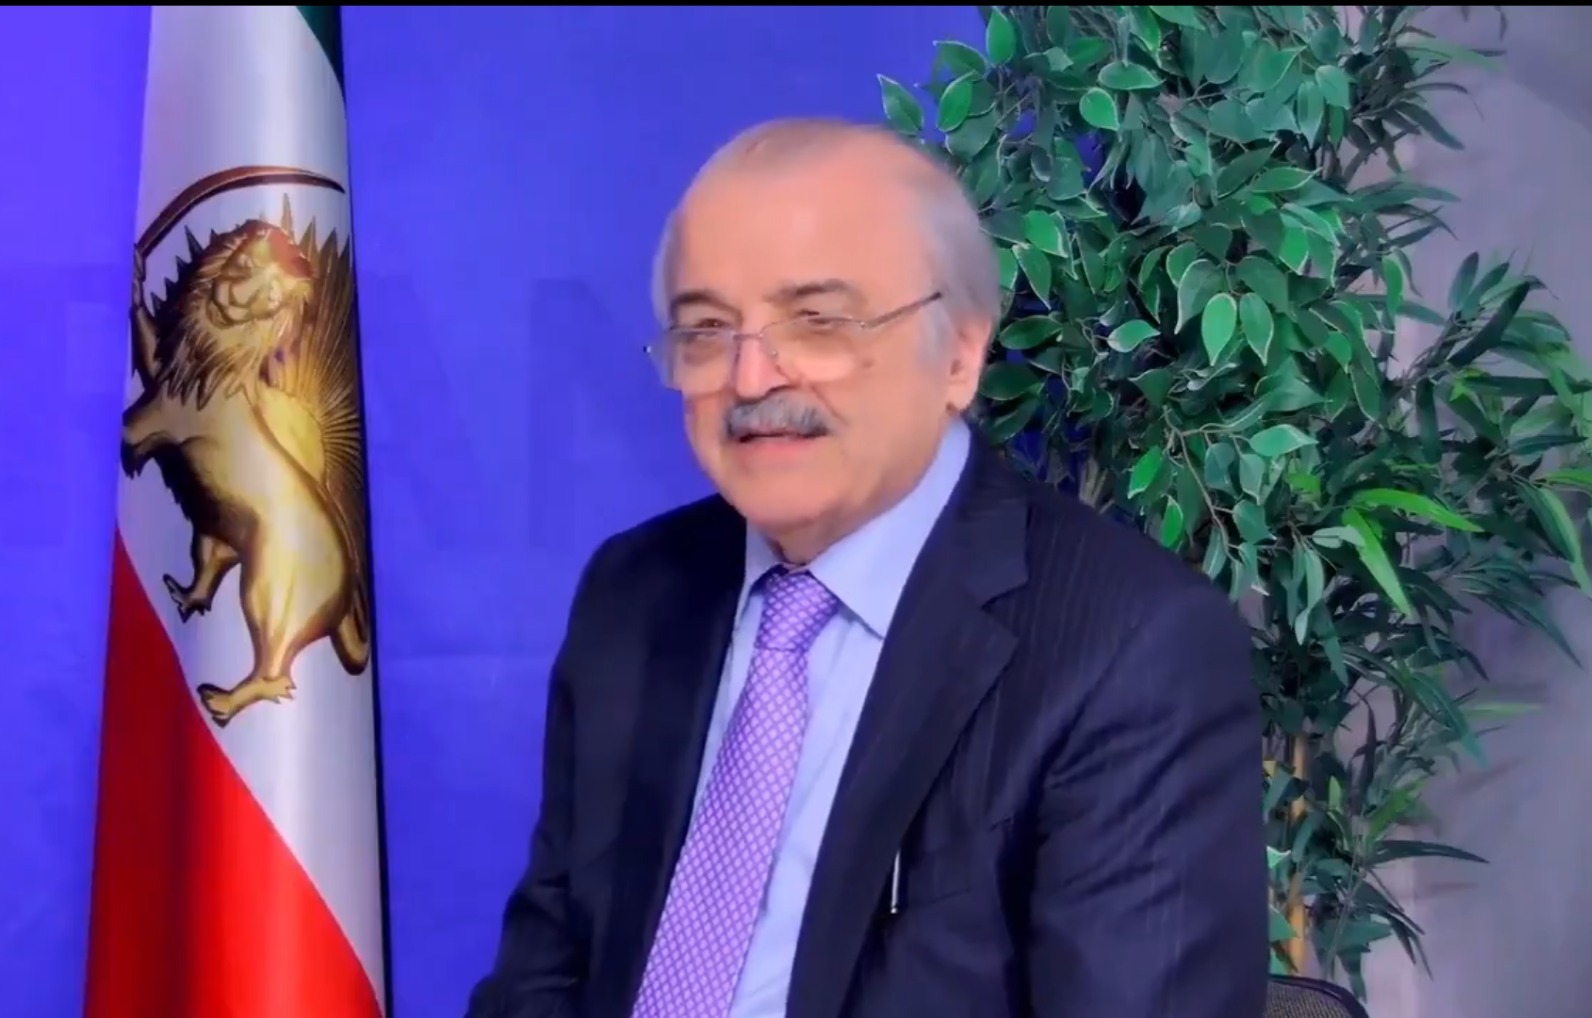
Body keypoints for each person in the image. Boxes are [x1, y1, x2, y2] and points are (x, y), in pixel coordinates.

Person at [466, 117, 1266, 1018]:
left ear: (958, 353)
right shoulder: (635, 592)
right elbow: (544, 980)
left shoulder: (1128, 648)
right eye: (707, 329)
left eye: (817, 322)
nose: (751, 378)